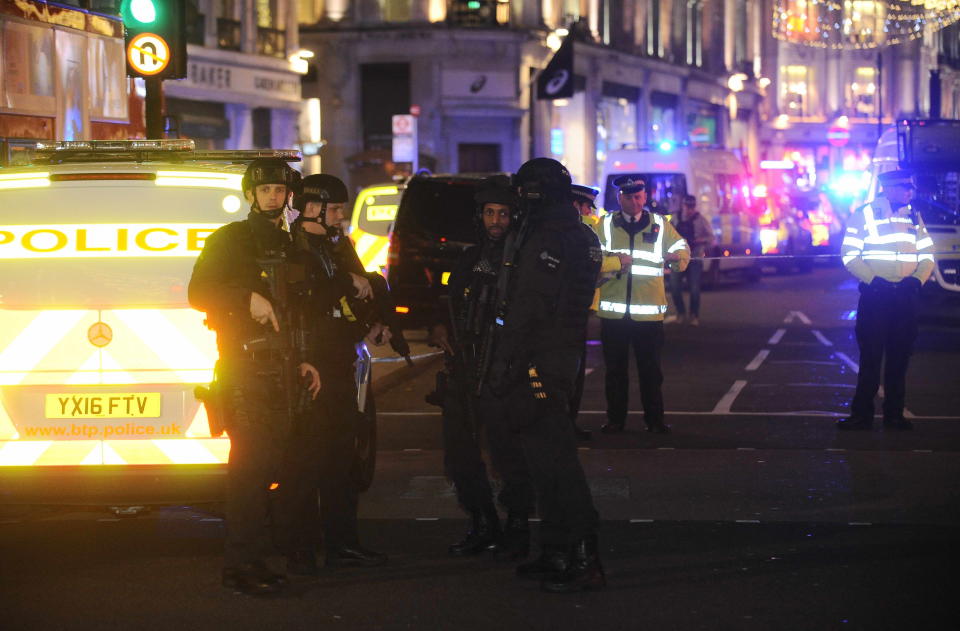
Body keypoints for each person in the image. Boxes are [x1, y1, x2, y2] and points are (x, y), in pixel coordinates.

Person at [188, 158, 321, 596]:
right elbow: (199, 291)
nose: (272, 197)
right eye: (264, 191)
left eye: (279, 191)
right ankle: (239, 565)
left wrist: (305, 360)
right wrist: (248, 299)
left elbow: (299, 311)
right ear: (250, 194)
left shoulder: (290, 243)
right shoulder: (230, 239)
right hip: (245, 368)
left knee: (271, 470)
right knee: (248, 472)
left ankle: (258, 559)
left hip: (284, 371)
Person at [489, 158, 604, 593]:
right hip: (561, 355)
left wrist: (506, 361)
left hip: (539, 358)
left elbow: (529, 308)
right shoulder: (578, 232)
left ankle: (579, 552)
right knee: (547, 460)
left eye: (522, 193)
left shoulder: (548, 238)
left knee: (554, 461)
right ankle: (559, 549)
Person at [275, 173, 388, 575]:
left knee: (341, 458)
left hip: (340, 362)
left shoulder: (335, 245)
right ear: (312, 208)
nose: (342, 216)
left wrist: (374, 319)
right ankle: (300, 549)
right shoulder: (292, 249)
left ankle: (342, 543)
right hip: (309, 367)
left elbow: (364, 289)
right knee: (306, 460)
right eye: (336, 209)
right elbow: (308, 298)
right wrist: (346, 281)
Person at [427, 175, 534, 561]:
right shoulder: (471, 258)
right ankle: (482, 522)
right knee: (460, 456)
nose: (495, 221)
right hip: (465, 367)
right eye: (489, 213)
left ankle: (518, 525)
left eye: (503, 213)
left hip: (503, 371)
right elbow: (449, 300)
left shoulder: (523, 259)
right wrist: (439, 326)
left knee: (509, 454)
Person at [837, 169, 935, 431]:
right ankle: (861, 416)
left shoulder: (913, 216)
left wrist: (917, 279)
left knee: (899, 359)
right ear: (889, 188)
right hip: (876, 297)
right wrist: (872, 280)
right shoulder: (865, 214)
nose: (910, 192)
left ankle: (894, 415)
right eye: (905, 187)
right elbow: (849, 254)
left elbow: (927, 254)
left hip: (905, 298)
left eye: (910, 187)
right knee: (870, 358)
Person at [594, 175, 690, 435]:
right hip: (614, 313)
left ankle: (655, 421)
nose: (634, 202)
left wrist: (676, 260)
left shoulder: (659, 224)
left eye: (638, 197)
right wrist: (614, 262)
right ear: (619, 198)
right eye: (628, 197)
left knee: (651, 372)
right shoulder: (605, 225)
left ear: (645, 197)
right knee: (615, 372)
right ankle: (615, 421)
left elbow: (683, 248)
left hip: (648, 316)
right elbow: (591, 256)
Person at [567, 184, 621, 441]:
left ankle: (568, 422)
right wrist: (619, 263)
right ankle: (564, 424)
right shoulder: (576, 233)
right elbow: (592, 262)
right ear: (576, 205)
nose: (590, 211)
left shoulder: (578, 230)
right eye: (587, 206)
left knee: (574, 373)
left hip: (577, 309)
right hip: (567, 313)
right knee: (569, 373)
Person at [666, 194, 714, 326]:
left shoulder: (701, 220)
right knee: (674, 287)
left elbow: (711, 238)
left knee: (694, 289)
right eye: (687, 206)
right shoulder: (675, 218)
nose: (689, 210)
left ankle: (694, 315)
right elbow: (667, 234)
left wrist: (699, 241)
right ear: (683, 205)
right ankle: (680, 313)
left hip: (694, 258)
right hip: (677, 258)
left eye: (691, 207)